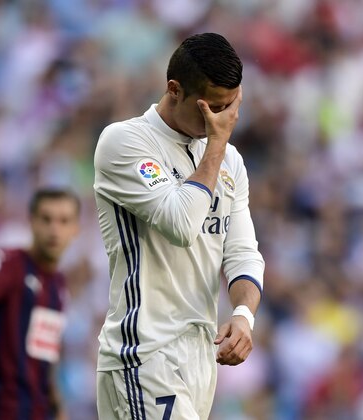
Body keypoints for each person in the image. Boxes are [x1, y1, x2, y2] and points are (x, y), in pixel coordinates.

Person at [93, 33, 264, 420]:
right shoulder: (125, 142)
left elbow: (242, 251)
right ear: (174, 89)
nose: (222, 121)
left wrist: (243, 315)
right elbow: (181, 224)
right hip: (144, 354)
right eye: (212, 108)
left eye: (230, 108)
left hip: (200, 358)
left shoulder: (230, 161)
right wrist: (217, 146)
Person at [0, 188, 81, 420]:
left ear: (75, 228)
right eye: (46, 219)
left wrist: (59, 409)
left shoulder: (58, 285)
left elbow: (46, 355)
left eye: (63, 221)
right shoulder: (8, 263)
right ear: (31, 222)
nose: (54, 229)